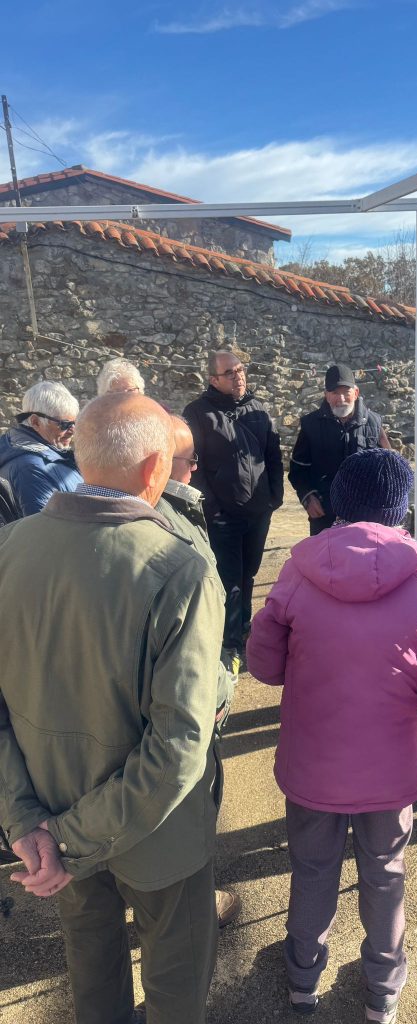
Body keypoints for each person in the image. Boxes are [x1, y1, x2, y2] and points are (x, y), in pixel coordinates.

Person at [0, 393, 225, 1024]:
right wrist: (61, 837)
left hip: (52, 816)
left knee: (92, 973)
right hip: (156, 836)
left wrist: (30, 825)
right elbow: (178, 746)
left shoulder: (10, 547)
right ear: (157, 468)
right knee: (177, 984)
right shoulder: (179, 569)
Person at [247, 448, 417, 1023]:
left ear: (340, 502)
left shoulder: (300, 569)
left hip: (313, 762)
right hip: (390, 766)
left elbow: (264, 663)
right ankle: (382, 989)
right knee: (385, 873)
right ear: (402, 508)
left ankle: (303, 978)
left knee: (312, 870)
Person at [156, 414, 241, 929]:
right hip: (180, 712)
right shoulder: (177, 537)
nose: (195, 471)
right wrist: (224, 686)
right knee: (187, 803)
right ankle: (193, 905)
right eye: (190, 461)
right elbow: (198, 645)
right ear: (159, 464)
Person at [183, 350, 283, 667]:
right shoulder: (198, 413)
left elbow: (273, 455)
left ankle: (243, 629)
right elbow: (193, 465)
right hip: (222, 516)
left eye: (240, 370)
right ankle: (229, 642)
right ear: (214, 379)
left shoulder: (258, 409)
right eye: (230, 372)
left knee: (249, 574)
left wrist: (274, 498)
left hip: (257, 512)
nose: (238, 376)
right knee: (229, 578)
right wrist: (212, 509)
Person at [288, 363, 391, 535]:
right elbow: (298, 470)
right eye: (335, 392)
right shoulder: (310, 425)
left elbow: (388, 469)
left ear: (356, 393)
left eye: (346, 392)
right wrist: (308, 497)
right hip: (325, 514)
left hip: (365, 515)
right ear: (326, 395)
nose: (341, 398)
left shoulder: (374, 423)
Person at [0, 381, 81, 516]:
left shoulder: (45, 456)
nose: (73, 431)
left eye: (75, 423)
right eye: (64, 424)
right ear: (35, 422)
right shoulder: (29, 468)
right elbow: (44, 527)